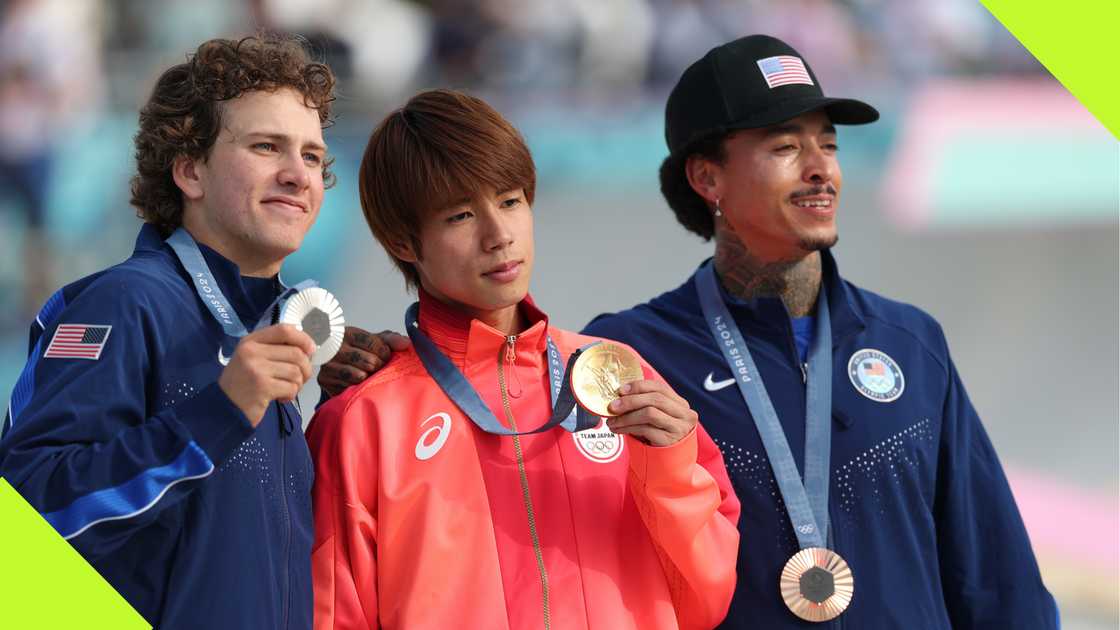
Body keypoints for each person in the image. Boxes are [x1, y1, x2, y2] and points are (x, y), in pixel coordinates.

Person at [323, 35, 1059, 629]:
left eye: (828, 145)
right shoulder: (620, 364)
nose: (820, 170)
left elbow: (996, 577)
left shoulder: (910, 344)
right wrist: (392, 374)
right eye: (785, 147)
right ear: (707, 179)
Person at [307, 89, 740, 629]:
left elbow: (705, 600)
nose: (499, 236)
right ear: (403, 242)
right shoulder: (364, 420)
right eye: (461, 215)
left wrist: (670, 471)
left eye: (510, 201)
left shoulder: (620, 375)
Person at [1, 35, 335, 629]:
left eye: (311, 156)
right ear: (189, 171)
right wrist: (218, 415)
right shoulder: (121, 304)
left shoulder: (270, 327)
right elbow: (27, 523)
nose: (297, 175)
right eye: (267, 146)